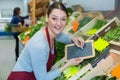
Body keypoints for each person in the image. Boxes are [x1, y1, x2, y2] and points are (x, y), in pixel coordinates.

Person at [7, 2, 84, 80]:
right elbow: (42, 78)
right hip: (23, 77)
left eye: (63, 19)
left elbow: (60, 35)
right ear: (47, 17)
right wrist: (68, 64)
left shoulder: (49, 32)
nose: (59, 23)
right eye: (54, 18)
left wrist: (73, 38)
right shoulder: (40, 45)